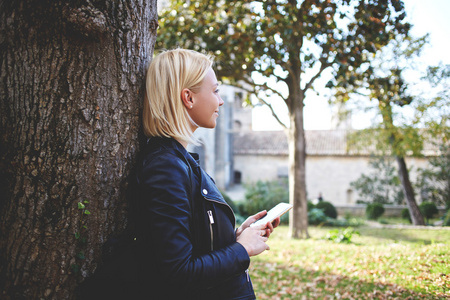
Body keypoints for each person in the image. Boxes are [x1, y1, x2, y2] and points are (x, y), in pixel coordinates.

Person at [135, 48, 280, 299]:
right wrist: (242, 249)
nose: (221, 101)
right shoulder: (165, 167)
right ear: (188, 98)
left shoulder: (179, 161)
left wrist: (234, 237)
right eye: (215, 91)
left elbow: (194, 241)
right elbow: (179, 270)